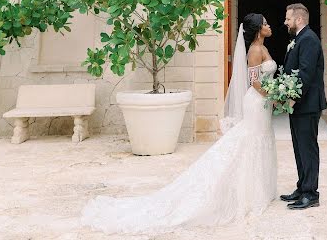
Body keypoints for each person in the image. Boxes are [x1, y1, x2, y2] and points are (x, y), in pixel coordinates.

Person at [81, 13, 278, 234]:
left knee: (260, 141)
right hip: (257, 100)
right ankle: (246, 194)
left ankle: (257, 190)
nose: (269, 26)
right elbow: (254, 82)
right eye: (266, 23)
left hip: (264, 103)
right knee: (251, 142)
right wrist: (275, 94)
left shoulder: (264, 48)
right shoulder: (254, 51)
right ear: (258, 29)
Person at [280, 3, 327, 210]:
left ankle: (311, 193)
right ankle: (302, 187)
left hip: (307, 104)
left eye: (288, 19)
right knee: (299, 148)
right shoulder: (299, 38)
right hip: (300, 105)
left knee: (308, 148)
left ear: (298, 20)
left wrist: (293, 97)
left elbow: (305, 74)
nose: (285, 22)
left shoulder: (308, 39)